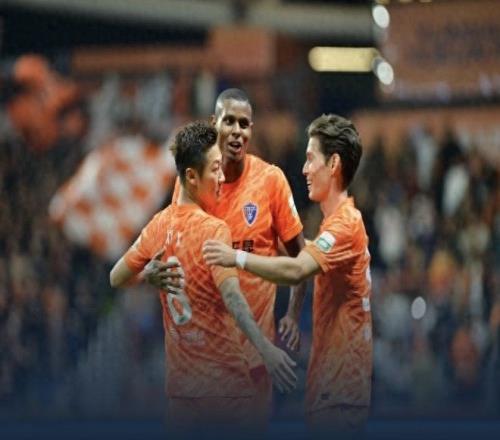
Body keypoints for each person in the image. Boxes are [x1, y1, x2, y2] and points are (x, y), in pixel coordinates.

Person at [109, 121, 297, 435]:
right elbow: (233, 297)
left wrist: (147, 275)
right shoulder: (214, 230)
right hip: (226, 394)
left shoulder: (159, 225)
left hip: (182, 397)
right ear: (192, 177)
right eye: (215, 169)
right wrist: (266, 349)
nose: (222, 178)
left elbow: (116, 277)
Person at [203, 114, 372, 435]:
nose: (305, 169)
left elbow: (297, 269)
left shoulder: (345, 226)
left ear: (333, 164)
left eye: (311, 159)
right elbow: (304, 253)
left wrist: (235, 256)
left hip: (339, 391)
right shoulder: (337, 226)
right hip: (334, 390)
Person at [157, 88, 307, 425]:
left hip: (252, 364)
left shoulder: (271, 182)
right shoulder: (191, 182)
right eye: (229, 121)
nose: (237, 131)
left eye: (244, 124)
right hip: (198, 364)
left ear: (251, 130)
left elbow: (302, 261)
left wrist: (293, 314)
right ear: (214, 124)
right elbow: (174, 253)